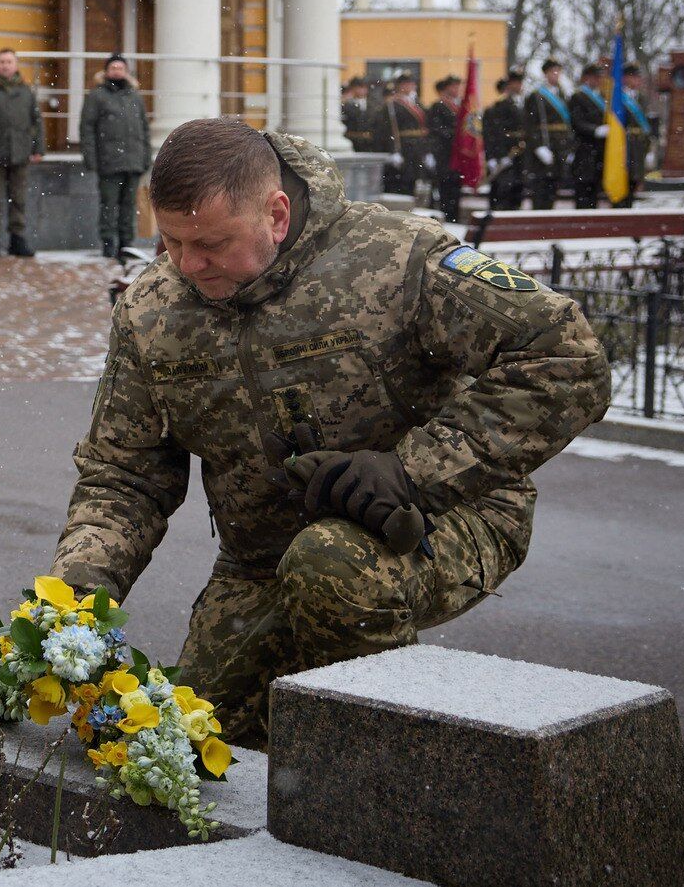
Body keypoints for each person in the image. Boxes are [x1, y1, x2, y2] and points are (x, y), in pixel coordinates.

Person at [51, 118, 610, 747]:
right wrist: (76, 601)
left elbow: (568, 358)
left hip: (443, 516)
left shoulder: (397, 258)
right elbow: (124, 474)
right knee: (184, 747)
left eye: (211, 243)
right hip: (260, 559)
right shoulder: (154, 310)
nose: (188, 264)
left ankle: (385, 780)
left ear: (277, 213)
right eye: (172, 243)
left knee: (333, 571)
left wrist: (412, 469)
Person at [0, 48, 46, 257]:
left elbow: (36, 121)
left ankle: (17, 239)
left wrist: (38, 147)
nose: (5, 65)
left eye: (9, 62)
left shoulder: (25, 91)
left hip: (20, 154)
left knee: (19, 199)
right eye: (2, 61)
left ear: (16, 65)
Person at [80, 54, 153, 257]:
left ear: (126, 72)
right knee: (109, 204)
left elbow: (144, 129)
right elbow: (87, 128)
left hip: (134, 161)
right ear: (106, 72)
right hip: (108, 161)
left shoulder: (134, 96)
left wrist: (146, 156)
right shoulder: (97, 96)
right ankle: (108, 243)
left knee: (129, 205)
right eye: (113, 68)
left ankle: (126, 244)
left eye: (121, 68)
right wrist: (90, 157)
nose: (117, 71)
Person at [523, 59, 574, 210]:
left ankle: (547, 221)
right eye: (553, 71)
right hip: (544, 146)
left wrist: (570, 147)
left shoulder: (564, 94)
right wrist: (538, 147)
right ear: (546, 74)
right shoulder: (536, 95)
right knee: (541, 187)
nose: (556, 74)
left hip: (560, 146)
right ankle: (537, 221)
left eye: (558, 71)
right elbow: (529, 125)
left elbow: (568, 124)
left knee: (554, 186)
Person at [373, 73, 430, 199]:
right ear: (399, 86)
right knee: (400, 183)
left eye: (412, 84)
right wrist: (393, 151)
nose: (411, 86)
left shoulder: (416, 103)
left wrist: (426, 150)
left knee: (413, 181)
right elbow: (388, 131)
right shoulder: (392, 105)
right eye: (407, 84)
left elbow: (424, 126)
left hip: (416, 149)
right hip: (403, 147)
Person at [481, 71, 528, 210]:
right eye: (515, 83)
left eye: (520, 82)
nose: (519, 86)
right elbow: (492, 135)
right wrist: (494, 156)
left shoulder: (523, 104)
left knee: (517, 192)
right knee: (501, 192)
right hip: (504, 155)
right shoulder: (496, 107)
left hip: (519, 154)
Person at [569, 62, 610, 210]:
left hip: (600, 152)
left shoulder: (604, 97)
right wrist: (596, 130)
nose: (599, 81)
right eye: (596, 77)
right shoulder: (578, 97)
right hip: (584, 150)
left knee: (595, 192)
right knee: (583, 191)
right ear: (587, 78)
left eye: (600, 77)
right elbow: (576, 122)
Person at [425, 74, 465, 223]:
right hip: (443, 153)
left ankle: (455, 217)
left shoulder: (460, 106)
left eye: (458, 86)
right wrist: (455, 135)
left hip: (457, 154)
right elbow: (435, 130)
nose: (457, 89)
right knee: (445, 189)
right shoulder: (438, 106)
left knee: (456, 188)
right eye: (454, 86)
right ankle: (447, 218)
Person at [612, 64, 653, 209]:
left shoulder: (641, 97)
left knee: (634, 182)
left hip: (638, 146)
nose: (638, 80)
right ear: (625, 78)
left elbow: (646, 125)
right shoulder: (616, 97)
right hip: (623, 145)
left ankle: (627, 212)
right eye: (635, 77)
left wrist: (648, 149)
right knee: (621, 183)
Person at [340, 77, 376, 151]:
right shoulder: (345, 104)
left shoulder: (373, 104)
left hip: (370, 142)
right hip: (352, 140)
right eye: (358, 87)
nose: (362, 90)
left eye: (364, 87)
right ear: (352, 88)